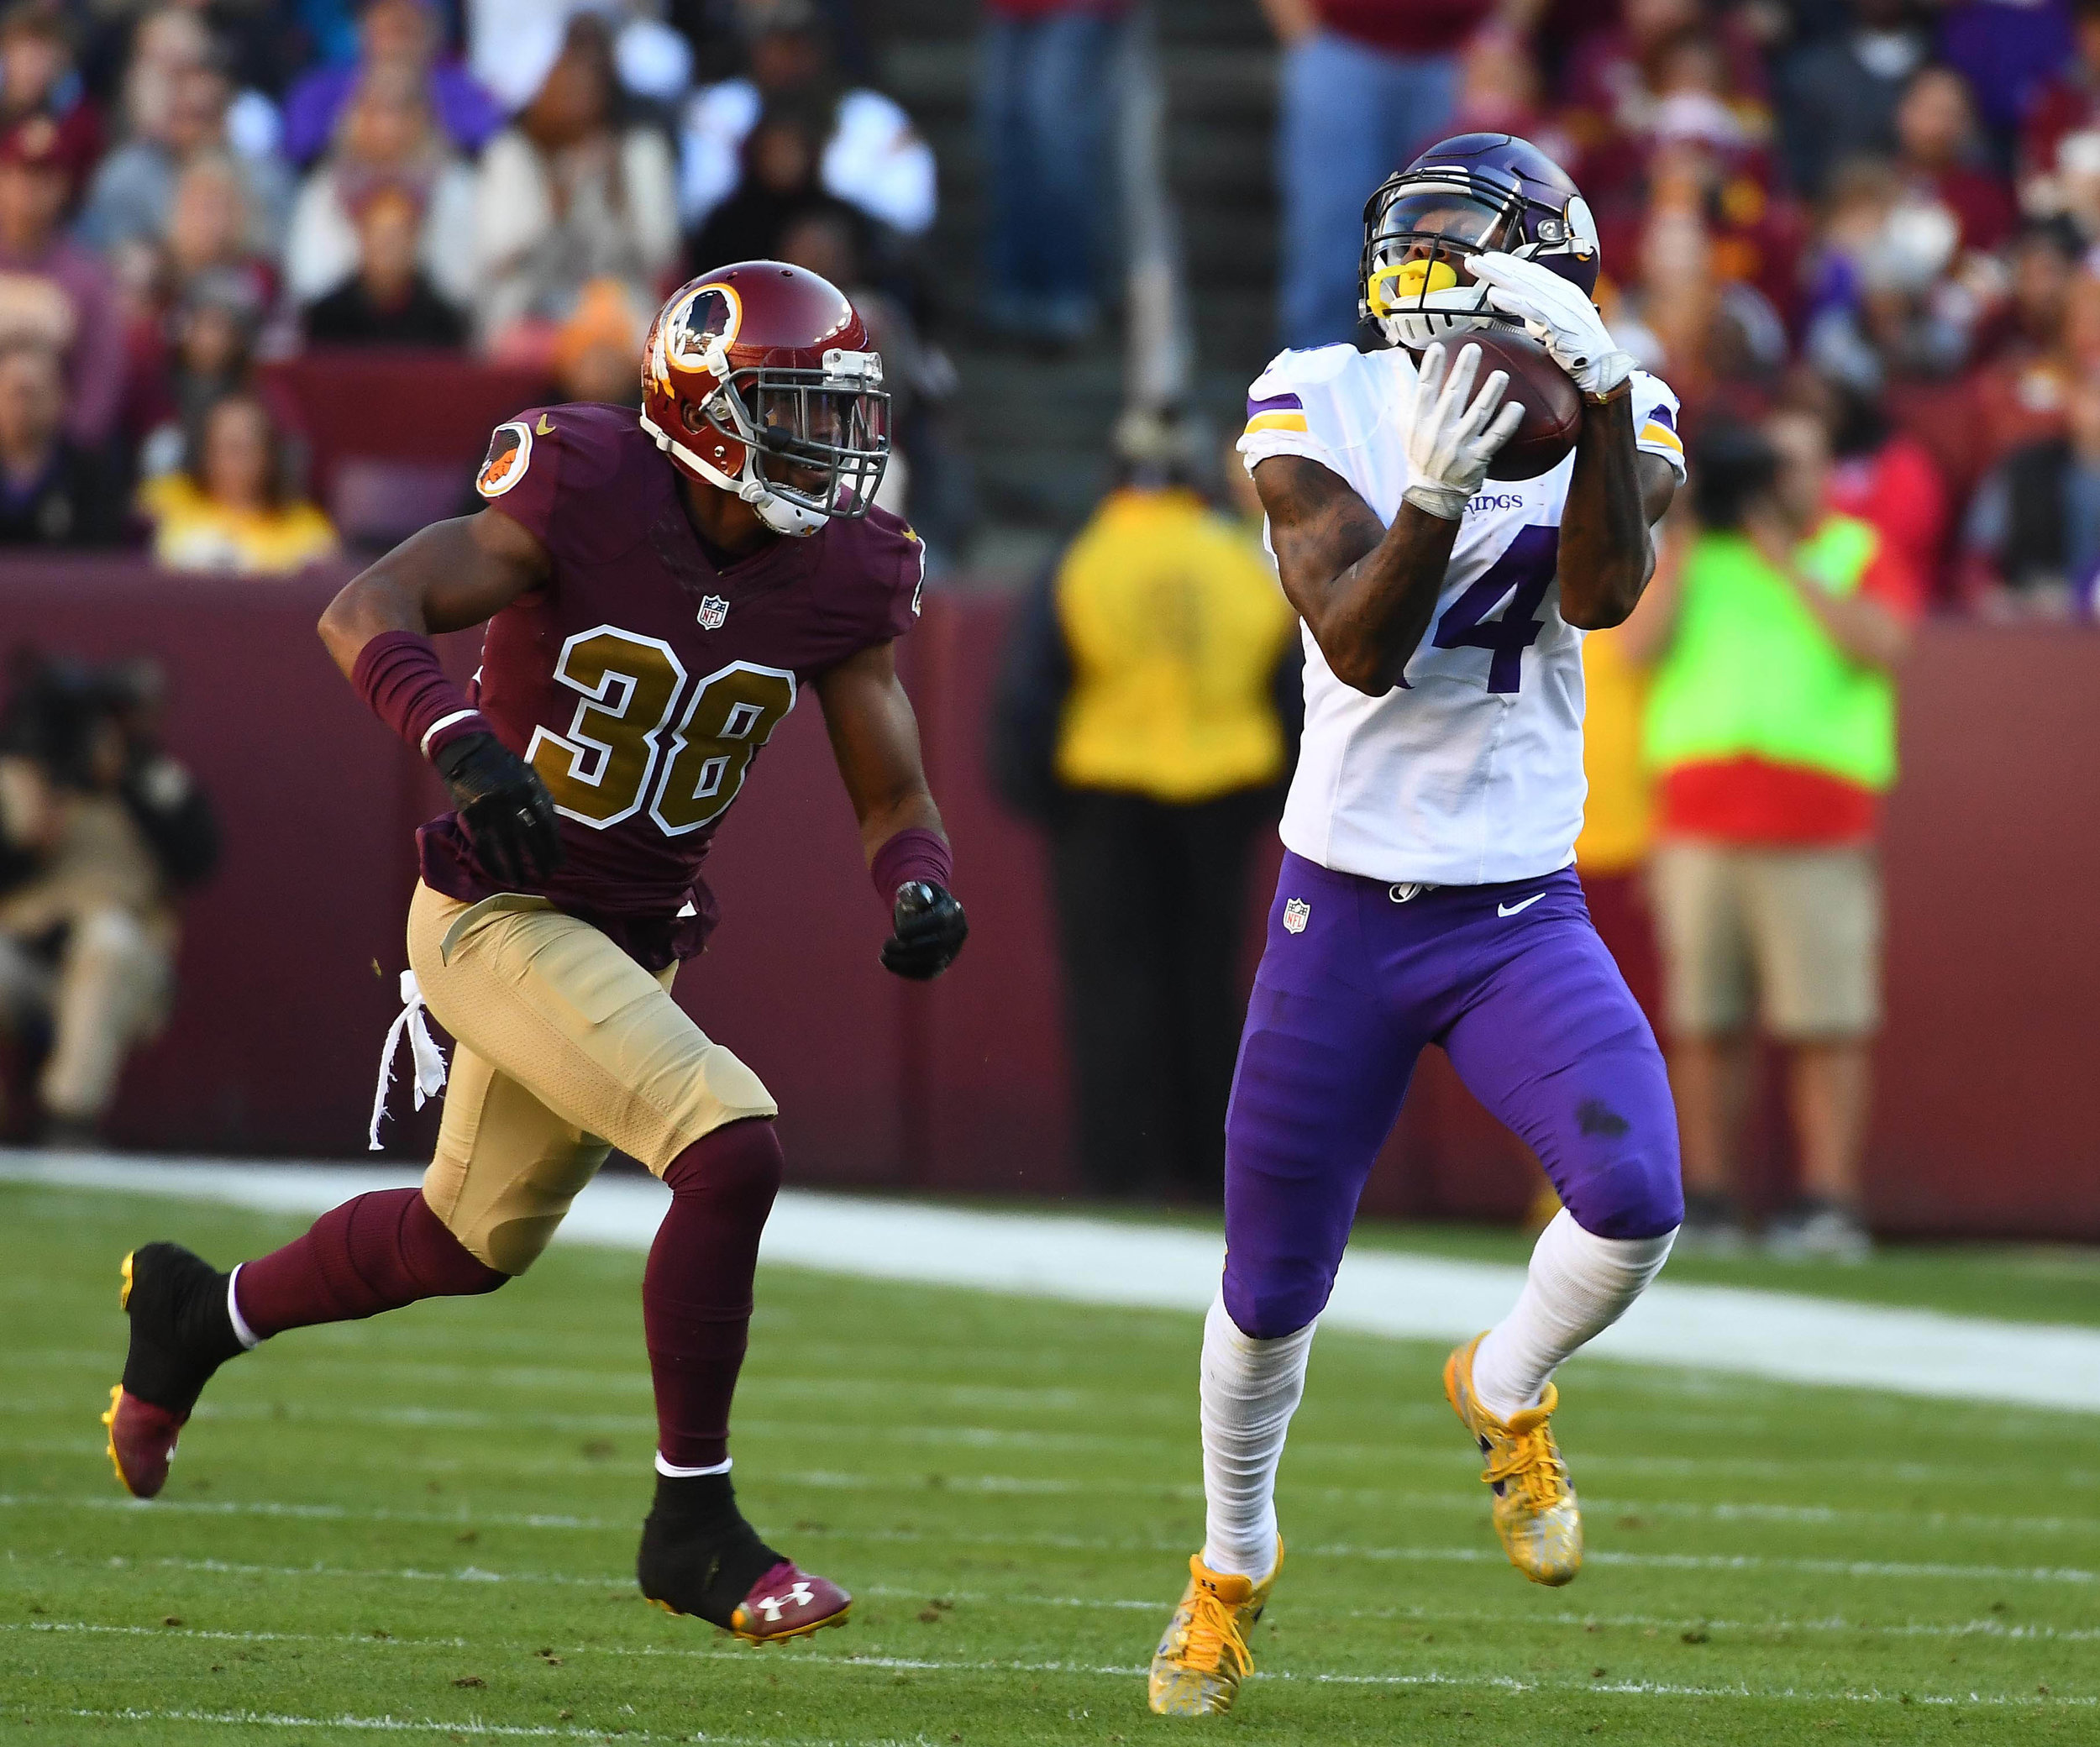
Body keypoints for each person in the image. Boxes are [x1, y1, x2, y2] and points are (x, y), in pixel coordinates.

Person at [102, 261, 969, 1650]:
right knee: (729, 1142)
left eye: (840, 413)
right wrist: (464, 744)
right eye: (800, 410)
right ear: (710, 411)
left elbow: (892, 795)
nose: (833, 446)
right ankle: (692, 1524)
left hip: (630, 941)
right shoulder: (586, 483)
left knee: (464, 1241)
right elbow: (362, 610)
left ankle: (201, 1317)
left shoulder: (845, 573)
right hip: (495, 916)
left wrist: (918, 884)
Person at [1143, 133, 1687, 1718]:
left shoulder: (1628, 399)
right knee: (1270, 1287)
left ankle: (1503, 1384)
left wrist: (1587, 419)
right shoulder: (1321, 394)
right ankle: (1229, 1565)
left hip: (1518, 905)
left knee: (1637, 1194)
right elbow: (1361, 648)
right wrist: (1437, 494)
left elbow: (1597, 595)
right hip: (1347, 910)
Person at [990, 407, 1298, 1201]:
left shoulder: (1086, 557)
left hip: (1104, 797)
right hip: (1223, 794)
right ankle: (1207, 1169)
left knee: (1110, 986)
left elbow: (1031, 692)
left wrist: (1037, 796)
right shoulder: (1238, 561)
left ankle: (1119, 1167)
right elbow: (1292, 689)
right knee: (1209, 983)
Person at [1644, 415, 1919, 1260]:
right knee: (1704, 1019)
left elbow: (1879, 644)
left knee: (1824, 1020)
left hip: (1817, 821)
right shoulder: (1692, 557)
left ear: (1826, 472)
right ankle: (1710, 1198)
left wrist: (1786, 556)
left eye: (1791, 464)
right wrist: (1685, 536)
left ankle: (1827, 1201)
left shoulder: (1852, 549)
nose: (1776, 480)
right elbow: (1631, 651)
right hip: (1698, 817)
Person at [0, 653, 218, 1146]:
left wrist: (122, 779)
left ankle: (68, 1121)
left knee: (109, 940)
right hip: (26, 954)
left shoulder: (151, 778)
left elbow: (199, 858)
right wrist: (31, 830)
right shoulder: (20, 780)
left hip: (119, 965)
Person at [1267, 0, 1536, 349]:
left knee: (1460, 239)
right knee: (1328, 243)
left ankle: (1452, 382)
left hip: (1459, 56)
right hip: (1341, 47)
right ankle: (1309, 383)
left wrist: (1503, 34)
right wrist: (1304, 33)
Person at [471, 13, 679, 355]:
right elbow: (496, 252)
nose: (576, 105)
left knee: (640, 345)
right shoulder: (511, 154)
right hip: (532, 303)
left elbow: (660, 251)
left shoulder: (637, 151)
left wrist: (618, 194)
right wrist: (555, 205)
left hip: (617, 301)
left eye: (587, 92)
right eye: (566, 91)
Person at [679, 0, 932, 243]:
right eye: (778, 44)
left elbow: (910, 215)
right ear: (756, 48)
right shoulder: (717, 112)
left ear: (825, 48)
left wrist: (823, 216)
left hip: (849, 275)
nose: (790, 59)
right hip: (740, 269)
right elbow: (695, 210)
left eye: (802, 45)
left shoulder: (874, 119)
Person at [978, 0, 1132, 343]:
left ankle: (1069, 289)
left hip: (1077, 8)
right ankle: (1015, 288)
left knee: (1057, 136)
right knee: (1009, 139)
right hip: (1009, 10)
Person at [283, 63, 478, 314]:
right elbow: (309, 280)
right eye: (378, 111)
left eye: (401, 112)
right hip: (341, 327)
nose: (389, 125)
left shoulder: (452, 185)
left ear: (423, 117)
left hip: (433, 329)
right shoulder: (327, 186)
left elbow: (463, 283)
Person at [0, 113, 124, 449]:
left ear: (64, 188)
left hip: (56, 459)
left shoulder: (88, 279)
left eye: (45, 179)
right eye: (20, 175)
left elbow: (99, 383)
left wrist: (67, 453)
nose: (30, 191)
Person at [280, 0, 501, 169]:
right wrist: (364, 98)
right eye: (386, 25)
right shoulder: (320, 89)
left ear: (434, 32)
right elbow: (298, 149)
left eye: (407, 28)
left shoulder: (460, 88)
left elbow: (489, 142)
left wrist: (419, 97)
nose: (395, 42)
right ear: (363, 27)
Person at [138, 389, 337, 573]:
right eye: (218, 447)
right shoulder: (168, 501)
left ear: (268, 454)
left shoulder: (307, 530)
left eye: (240, 448)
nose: (230, 460)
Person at [1964, 363, 2100, 614]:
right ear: (2073, 402)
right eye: (2095, 396)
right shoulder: (2022, 471)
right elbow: (1977, 556)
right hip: (2035, 623)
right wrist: (1996, 599)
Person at [302, 181, 467, 348]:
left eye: (396, 236)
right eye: (379, 235)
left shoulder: (443, 321)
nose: (387, 246)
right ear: (362, 236)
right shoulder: (326, 318)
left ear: (414, 240)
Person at [0, 334, 123, 544]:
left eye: (32, 394)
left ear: (60, 398)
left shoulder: (92, 474)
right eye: (14, 394)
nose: (22, 408)